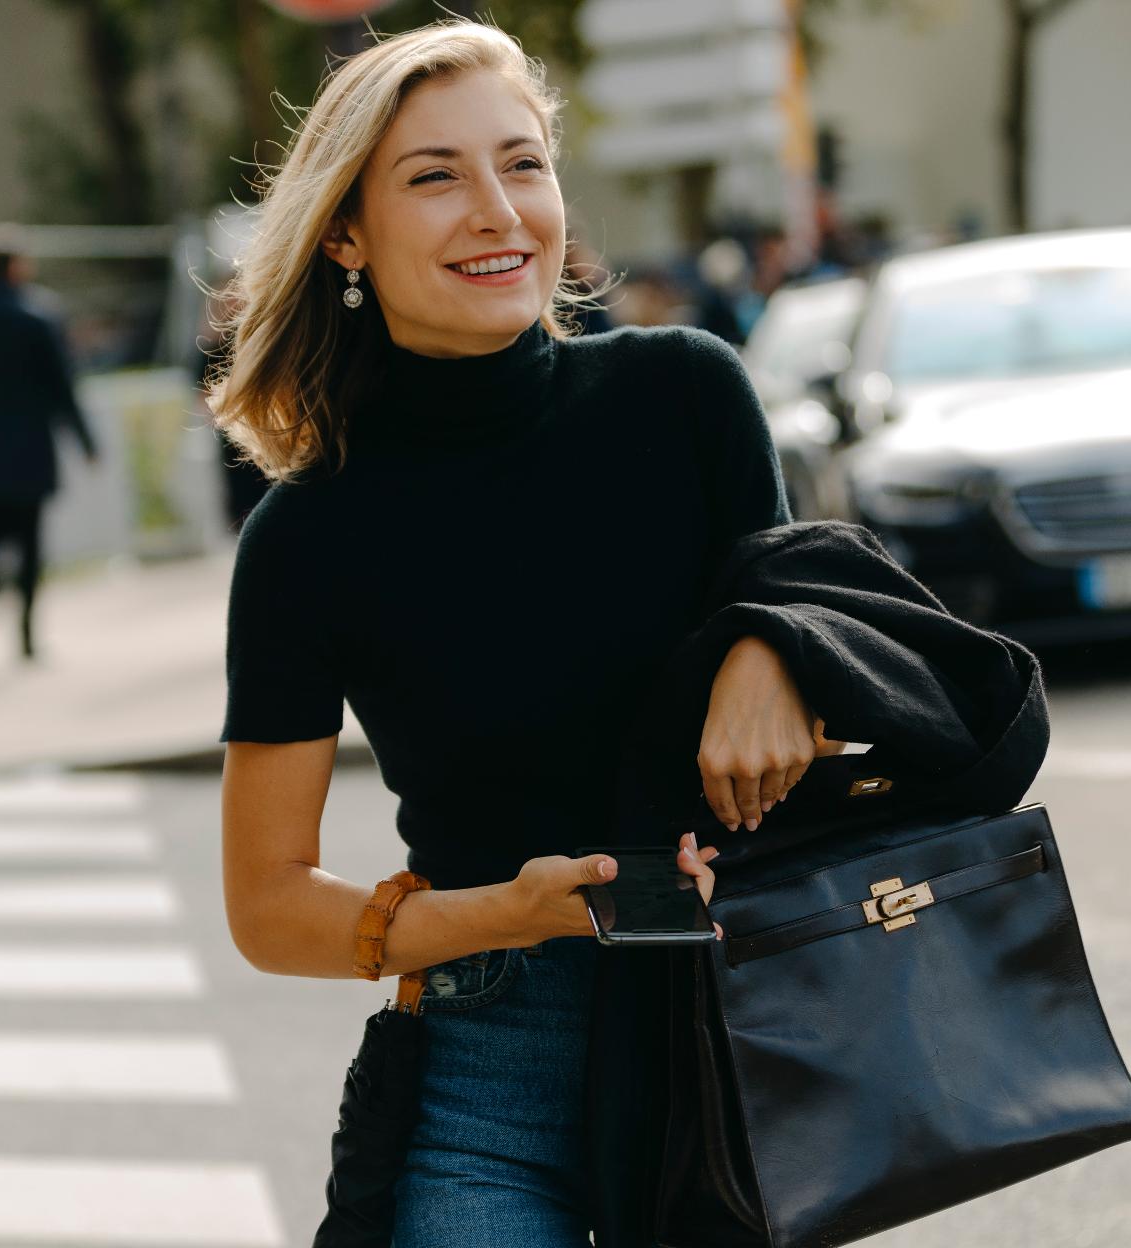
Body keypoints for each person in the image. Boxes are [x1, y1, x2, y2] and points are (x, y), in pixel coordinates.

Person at [210, 19, 843, 1247]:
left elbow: (810, 600)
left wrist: (774, 651)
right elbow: (266, 903)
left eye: (524, 164)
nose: (498, 211)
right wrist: (510, 911)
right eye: (435, 177)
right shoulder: (306, 538)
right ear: (346, 231)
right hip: (493, 1063)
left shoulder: (686, 394)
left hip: (745, 1018)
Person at [0, 233, 100, 660]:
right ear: (15, 267)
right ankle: (27, 634)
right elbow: (62, 387)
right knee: (31, 543)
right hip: (32, 448)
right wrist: (86, 441)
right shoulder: (38, 317)